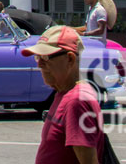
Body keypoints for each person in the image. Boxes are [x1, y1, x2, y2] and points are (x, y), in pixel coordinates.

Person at [23, 25, 105, 164]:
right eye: (38, 57)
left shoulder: (77, 101)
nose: (40, 65)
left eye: (46, 57)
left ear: (70, 59)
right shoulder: (63, 94)